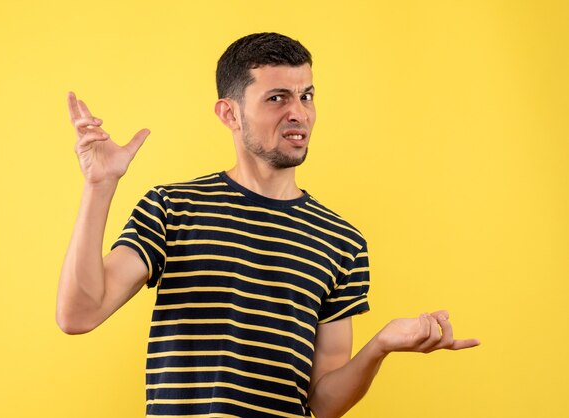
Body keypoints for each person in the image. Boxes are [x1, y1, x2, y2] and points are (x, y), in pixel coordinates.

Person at [57, 32, 480, 418]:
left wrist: (381, 345)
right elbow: (79, 313)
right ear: (230, 113)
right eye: (277, 98)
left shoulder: (342, 242)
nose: (299, 113)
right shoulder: (173, 207)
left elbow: (325, 402)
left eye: (307, 96)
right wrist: (100, 184)